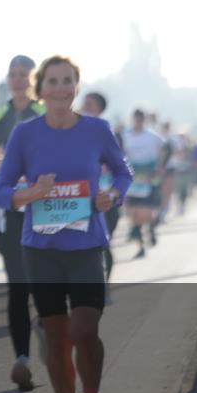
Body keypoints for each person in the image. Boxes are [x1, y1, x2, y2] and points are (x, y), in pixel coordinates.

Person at [0, 56, 131, 393]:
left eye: (67, 81)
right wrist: (31, 193)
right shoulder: (24, 134)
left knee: (84, 329)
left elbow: (123, 172)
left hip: (86, 246)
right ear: (40, 88)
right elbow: (0, 190)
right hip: (41, 250)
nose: (60, 88)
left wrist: (112, 196)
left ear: (76, 86)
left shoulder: (97, 130)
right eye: (52, 81)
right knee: (56, 338)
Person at [0, 54, 44, 391]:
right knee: (17, 287)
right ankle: (22, 359)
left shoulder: (44, 113)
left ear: (34, 79)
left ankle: (47, 324)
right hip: (10, 208)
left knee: (44, 283)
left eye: (24, 73)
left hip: (43, 208)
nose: (18, 79)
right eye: (13, 74)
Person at [80, 92, 121, 283]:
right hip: (80, 198)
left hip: (105, 198)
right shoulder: (72, 130)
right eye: (84, 104)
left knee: (103, 243)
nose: (84, 108)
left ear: (99, 110)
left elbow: (122, 168)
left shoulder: (108, 132)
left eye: (90, 105)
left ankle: (105, 284)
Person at [121, 109, 167, 259]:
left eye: (141, 119)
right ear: (133, 119)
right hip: (131, 177)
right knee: (133, 213)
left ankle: (151, 227)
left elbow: (166, 150)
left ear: (144, 120)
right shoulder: (125, 135)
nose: (138, 122)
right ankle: (140, 245)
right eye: (136, 119)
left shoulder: (153, 136)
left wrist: (160, 167)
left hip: (149, 177)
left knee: (147, 213)